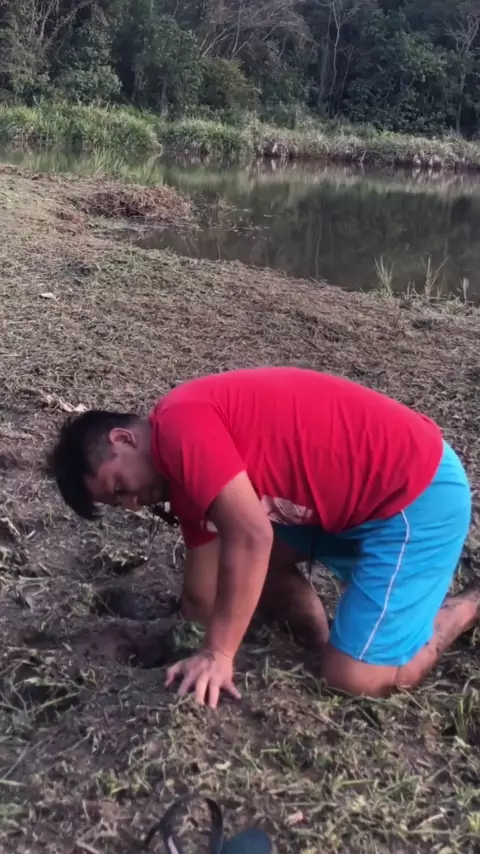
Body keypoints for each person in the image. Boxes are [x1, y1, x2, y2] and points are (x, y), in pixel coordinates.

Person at [50, 367, 478, 709]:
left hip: (414, 495)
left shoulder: (179, 425)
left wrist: (218, 654)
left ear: (123, 439)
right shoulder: (182, 482)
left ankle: (469, 605)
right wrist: (179, 639)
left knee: (354, 679)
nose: (132, 504)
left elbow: (252, 537)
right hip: (351, 507)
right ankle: (320, 641)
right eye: (118, 503)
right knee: (244, 568)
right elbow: (201, 594)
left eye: (119, 487)